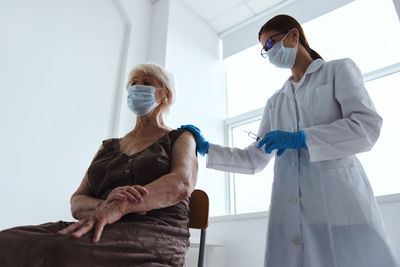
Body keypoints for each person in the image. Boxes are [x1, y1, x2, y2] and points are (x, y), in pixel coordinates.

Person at [180, 14, 400, 267]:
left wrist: (304, 138)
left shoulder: (337, 70)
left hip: (340, 204)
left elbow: (366, 126)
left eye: (271, 43)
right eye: (265, 50)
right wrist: (207, 148)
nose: (268, 52)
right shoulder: (276, 102)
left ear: (294, 35)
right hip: (293, 211)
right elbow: (254, 159)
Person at [0, 63, 198, 267]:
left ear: (166, 96)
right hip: (102, 223)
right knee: (6, 241)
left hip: (155, 232)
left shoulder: (181, 137)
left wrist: (120, 206)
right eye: (133, 83)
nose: (137, 88)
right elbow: (77, 202)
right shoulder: (109, 146)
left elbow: (181, 184)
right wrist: (104, 206)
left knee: (60, 250)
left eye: (146, 83)